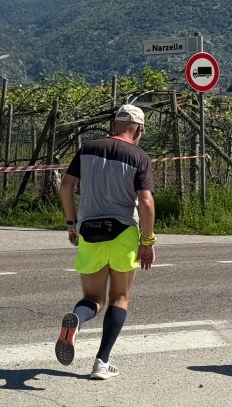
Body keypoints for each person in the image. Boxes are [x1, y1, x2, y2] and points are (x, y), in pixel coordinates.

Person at [55, 104, 156, 380]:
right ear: (139, 129)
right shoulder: (139, 156)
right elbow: (146, 201)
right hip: (123, 232)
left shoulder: (88, 148)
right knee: (120, 297)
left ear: (114, 125)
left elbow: (66, 186)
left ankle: (77, 320)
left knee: (92, 299)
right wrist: (147, 240)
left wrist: (72, 224)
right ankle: (101, 362)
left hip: (89, 231)